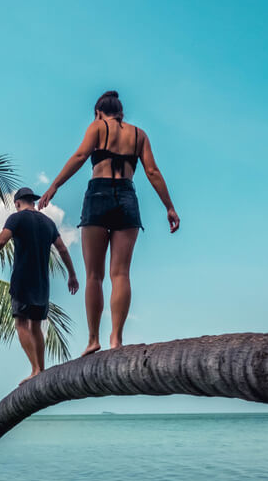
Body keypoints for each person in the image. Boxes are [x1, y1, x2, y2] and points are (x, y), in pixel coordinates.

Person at [38, 90, 179, 356]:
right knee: (121, 274)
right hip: (127, 196)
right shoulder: (139, 135)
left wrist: (54, 186)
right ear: (121, 112)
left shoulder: (97, 127)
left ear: (99, 112)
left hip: (99, 194)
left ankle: (93, 339)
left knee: (94, 275)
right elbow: (152, 171)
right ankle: (116, 338)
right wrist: (169, 207)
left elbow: (80, 157)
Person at [0, 187, 79, 383]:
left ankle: (36, 369)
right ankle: (41, 369)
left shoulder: (16, 218)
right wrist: (72, 275)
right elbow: (62, 249)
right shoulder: (48, 223)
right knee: (36, 326)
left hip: (22, 281)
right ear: (33, 202)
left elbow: (1, 241)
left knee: (21, 323)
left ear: (18, 203)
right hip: (42, 284)